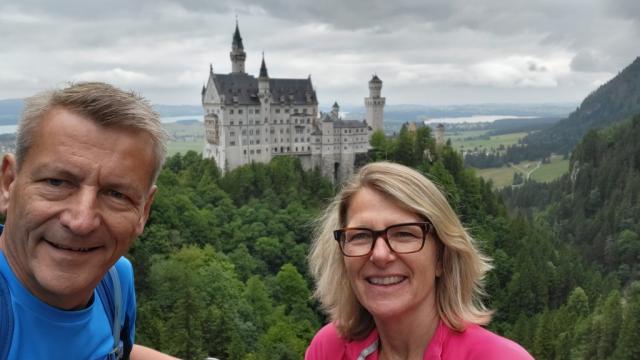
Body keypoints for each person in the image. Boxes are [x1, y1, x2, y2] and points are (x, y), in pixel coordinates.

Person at [0, 82, 177, 359]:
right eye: (57, 182)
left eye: (116, 194)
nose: (81, 221)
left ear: (144, 211)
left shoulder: (113, 281)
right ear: (9, 183)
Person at [306, 162, 533, 359]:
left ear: (441, 257)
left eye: (404, 234)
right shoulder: (330, 348)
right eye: (361, 236)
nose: (380, 255)